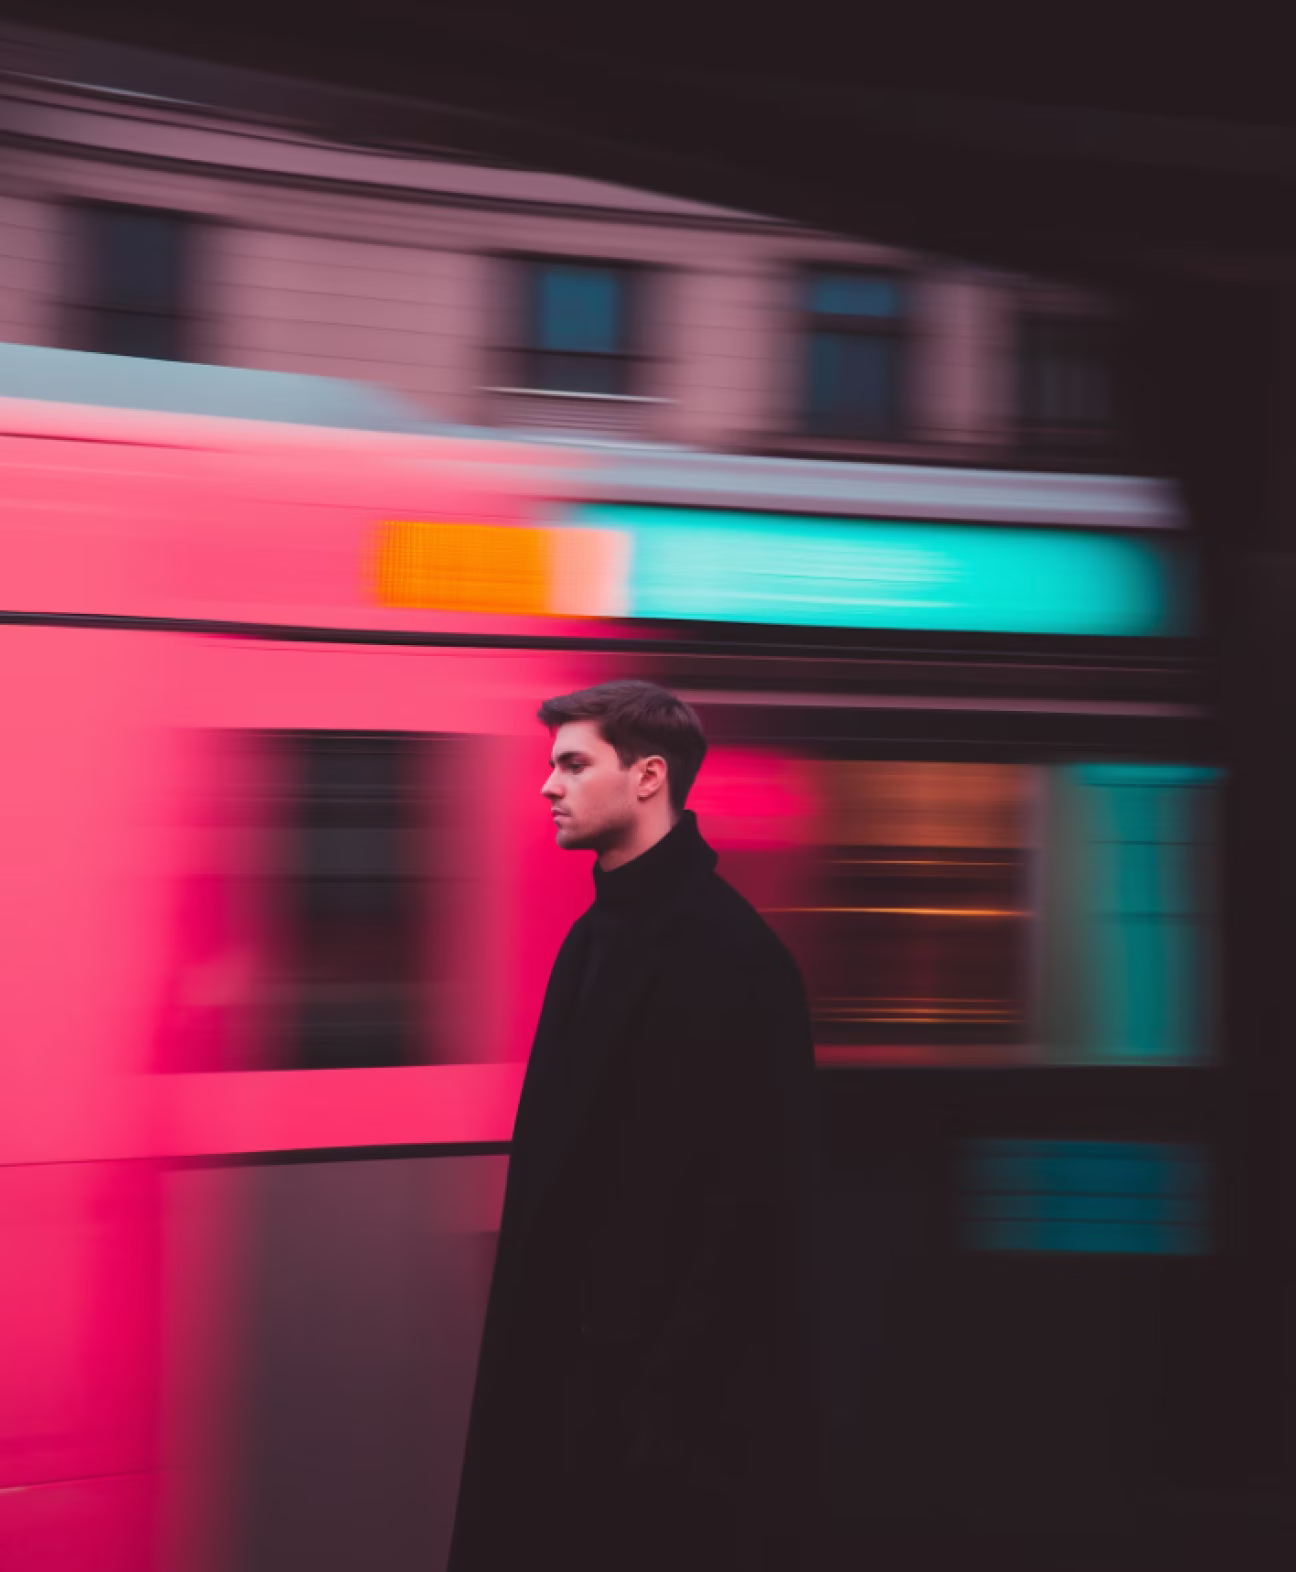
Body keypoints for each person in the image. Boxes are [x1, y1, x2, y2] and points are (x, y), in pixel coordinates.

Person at [446, 679, 821, 1572]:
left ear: (649, 776)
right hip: (578, 1382)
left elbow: (746, 1218)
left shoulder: (736, 958)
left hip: (653, 1415)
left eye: (573, 764)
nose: (548, 786)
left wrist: (658, 1406)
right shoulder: (596, 937)